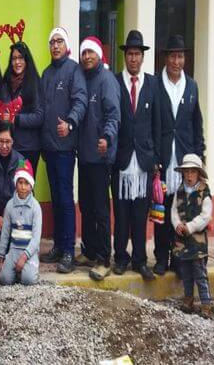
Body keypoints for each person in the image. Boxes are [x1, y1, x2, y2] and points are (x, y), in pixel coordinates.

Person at [154, 35, 205, 275]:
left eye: (181, 56)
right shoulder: (156, 85)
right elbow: (152, 124)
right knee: (162, 209)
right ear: (166, 58)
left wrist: (199, 157)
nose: (177, 61)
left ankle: (177, 257)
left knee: (182, 210)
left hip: (185, 160)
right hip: (163, 160)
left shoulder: (192, 86)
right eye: (173, 56)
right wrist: (154, 158)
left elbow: (197, 125)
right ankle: (161, 257)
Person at [113, 30, 161, 281]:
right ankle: (120, 257)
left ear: (143, 57)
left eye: (137, 54)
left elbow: (158, 123)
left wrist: (156, 158)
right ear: (125, 56)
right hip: (121, 159)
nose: (133, 59)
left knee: (140, 215)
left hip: (144, 161)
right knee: (121, 212)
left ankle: (140, 260)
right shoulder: (115, 82)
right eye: (130, 54)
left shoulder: (153, 84)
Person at [38, 27, 87, 273]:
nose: (55, 45)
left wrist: (70, 123)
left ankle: (69, 251)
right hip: (49, 148)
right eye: (52, 42)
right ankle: (58, 245)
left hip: (66, 148)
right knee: (56, 198)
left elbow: (80, 101)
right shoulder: (46, 74)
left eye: (59, 41)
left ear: (66, 45)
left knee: (66, 200)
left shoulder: (74, 70)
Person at [75, 37, 121, 282]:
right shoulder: (84, 79)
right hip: (84, 155)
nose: (87, 57)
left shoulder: (107, 81)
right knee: (86, 205)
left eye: (90, 53)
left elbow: (114, 114)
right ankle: (90, 250)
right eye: (84, 54)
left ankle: (104, 258)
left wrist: (106, 136)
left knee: (101, 210)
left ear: (99, 54)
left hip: (101, 157)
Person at [170, 154, 212, 318]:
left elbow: (205, 216)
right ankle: (188, 299)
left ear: (199, 174)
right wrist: (177, 224)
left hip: (197, 241)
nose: (189, 176)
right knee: (185, 271)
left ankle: (206, 304)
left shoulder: (203, 192)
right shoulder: (179, 191)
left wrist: (190, 226)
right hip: (182, 240)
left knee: (199, 272)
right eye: (186, 172)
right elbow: (174, 211)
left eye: (192, 172)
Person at [0, 102, 25, 263]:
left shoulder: (20, 161)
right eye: (1, 141)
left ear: (13, 141)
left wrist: (12, 215)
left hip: (15, 215)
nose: (4, 146)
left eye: (8, 141)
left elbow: (27, 192)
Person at [3, 29, 42, 175]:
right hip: (11, 146)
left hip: (29, 147)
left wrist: (16, 119)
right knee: (12, 186)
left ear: (26, 60)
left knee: (26, 185)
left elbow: (39, 116)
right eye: (14, 58)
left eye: (20, 58)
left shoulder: (34, 83)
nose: (17, 62)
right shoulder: (6, 82)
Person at [0, 160, 41, 286]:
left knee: (28, 280)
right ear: (16, 184)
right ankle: (16, 270)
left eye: (26, 183)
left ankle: (31, 267)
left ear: (31, 185)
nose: (23, 186)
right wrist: (1, 258)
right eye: (20, 182)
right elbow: (5, 234)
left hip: (29, 251)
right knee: (4, 279)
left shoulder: (36, 207)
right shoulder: (10, 205)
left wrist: (24, 257)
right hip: (14, 249)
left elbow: (36, 238)